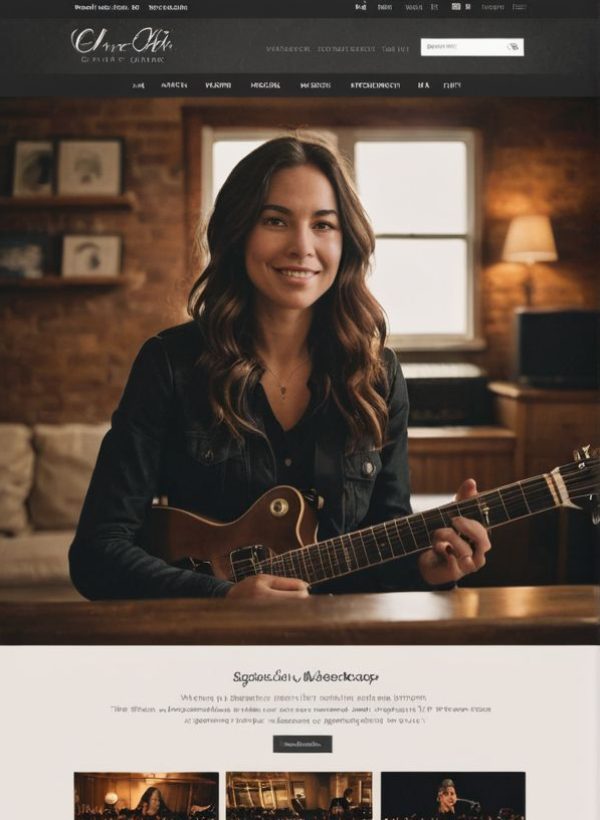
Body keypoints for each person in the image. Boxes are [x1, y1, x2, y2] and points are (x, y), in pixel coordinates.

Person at [69, 134, 491, 600]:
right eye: (276, 220)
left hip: (341, 647)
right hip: (208, 649)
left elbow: (380, 549)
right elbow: (96, 552)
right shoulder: (170, 363)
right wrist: (222, 597)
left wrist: (427, 568)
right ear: (238, 232)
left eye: (323, 225)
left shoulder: (377, 375)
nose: (301, 246)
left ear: (345, 242)